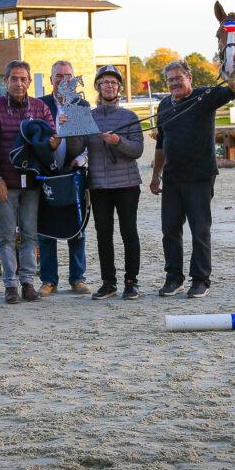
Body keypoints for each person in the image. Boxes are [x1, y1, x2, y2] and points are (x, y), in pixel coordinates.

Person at [151, 60, 235, 298]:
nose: (174, 83)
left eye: (178, 78)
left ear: (189, 78)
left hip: (200, 176)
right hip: (172, 177)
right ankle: (174, 278)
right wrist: (156, 175)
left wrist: (231, 73)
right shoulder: (163, 106)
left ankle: (201, 279)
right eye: (170, 80)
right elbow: (161, 143)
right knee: (170, 230)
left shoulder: (205, 96)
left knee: (199, 230)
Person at [0, 60, 60, 304]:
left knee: (30, 235)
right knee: (6, 237)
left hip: (33, 184)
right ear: (6, 81)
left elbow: (51, 136)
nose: (19, 83)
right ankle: (10, 285)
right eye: (14, 79)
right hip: (6, 181)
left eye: (23, 79)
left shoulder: (39, 107)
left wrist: (52, 143)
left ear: (28, 81)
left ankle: (28, 282)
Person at [86, 66, 145, 300]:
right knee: (103, 235)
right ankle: (108, 282)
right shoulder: (89, 117)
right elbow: (77, 148)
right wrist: (67, 127)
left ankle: (131, 282)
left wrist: (118, 141)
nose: (109, 86)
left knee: (129, 232)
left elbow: (138, 150)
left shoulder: (129, 117)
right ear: (98, 87)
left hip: (127, 185)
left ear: (119, 87)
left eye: (113, 82)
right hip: (99, 185)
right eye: (104, 82)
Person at [37, 60, 90, 297]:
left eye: (68, 76)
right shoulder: (39, 106)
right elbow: (35, 142)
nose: (63, 80)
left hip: (73, 174)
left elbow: (88, 142)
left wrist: (82, 159)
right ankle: (48, 280)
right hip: (47, 175)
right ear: (51, 80)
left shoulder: (80, 105)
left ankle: (77, 279)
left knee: (77, 228)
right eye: (58, 76)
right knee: (46, 230)